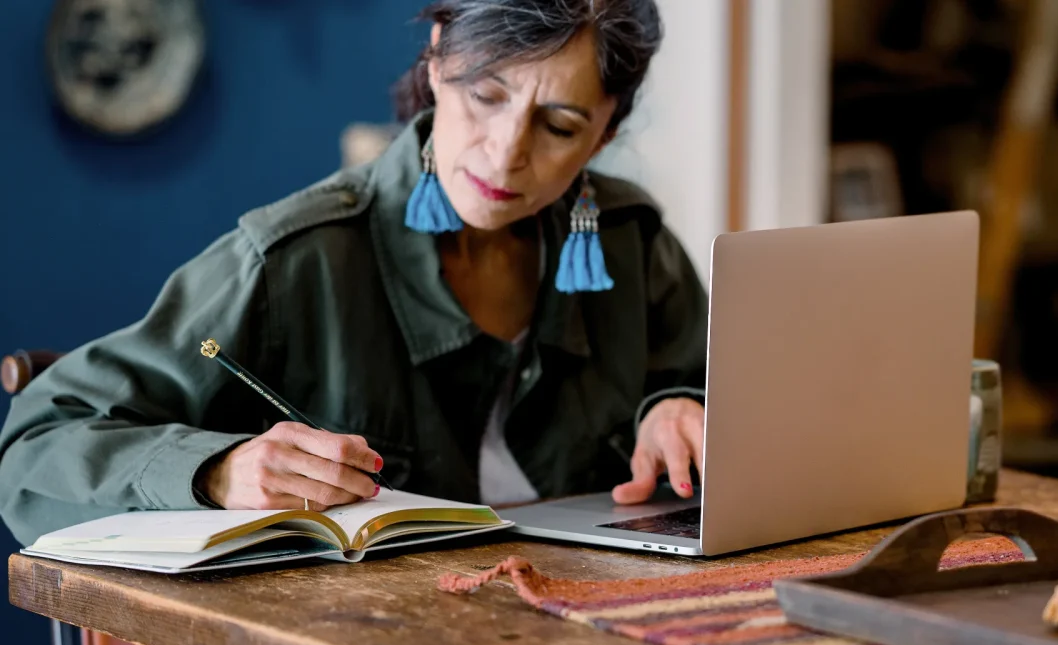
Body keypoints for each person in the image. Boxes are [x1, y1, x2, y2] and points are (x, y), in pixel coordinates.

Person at [0, 0, 708, 547]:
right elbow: (36, 448)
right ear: (436, 59)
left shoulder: (631, 244)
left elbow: (729, 403)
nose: (506, 153)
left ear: (606, 131)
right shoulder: (293, 260)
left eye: (558, 126)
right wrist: (218, 471)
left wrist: (680, 406)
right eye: (486, 96)